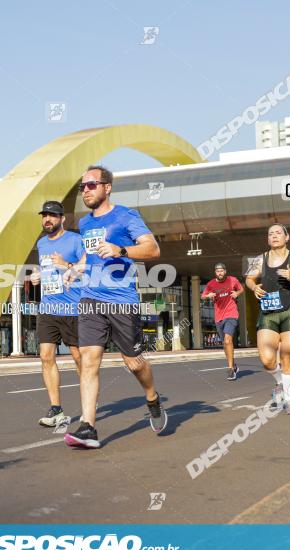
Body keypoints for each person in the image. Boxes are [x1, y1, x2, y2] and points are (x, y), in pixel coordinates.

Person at [63, 165, 166, 449]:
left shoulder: (126, 216)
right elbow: (90, 254)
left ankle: (152, 398)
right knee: (88, 360)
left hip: (121, 301)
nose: (85, 190)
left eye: (91, 185)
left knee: (133, 363)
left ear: (107, 187)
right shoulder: (85, 224)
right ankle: (88, 428)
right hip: (91, 298)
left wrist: (121, 250)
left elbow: (153, 249)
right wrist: (76, 269)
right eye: (82, 186)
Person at [245, 223, 290, 415]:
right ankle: (280, 383)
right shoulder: (259, 259)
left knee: (287, 355)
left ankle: (289, 401)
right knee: (266, 360)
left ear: (287, 237)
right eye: (270, 234)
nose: (274, 236)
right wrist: (254, 287)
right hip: (268, 312)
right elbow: (249, 278)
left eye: (278, 233)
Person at [30, 200, 85, 428]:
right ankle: (56, 409)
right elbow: (46, 270)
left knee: (79, 357)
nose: (47, 219)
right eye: (44, 215)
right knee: (45, 355)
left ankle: (88, 403)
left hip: (72, 307)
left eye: (52, 216)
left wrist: (67, 264)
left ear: (62, 218)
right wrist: (37, 275)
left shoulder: (75, 240)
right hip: (49, 308)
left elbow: (89, 267)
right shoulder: (42, 243)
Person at [202, 262, 244, 380]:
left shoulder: (232, 280)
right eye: (217, 271)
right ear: (215, 273)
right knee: (225, 345)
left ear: (225, 271)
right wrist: (208, 295)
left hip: (231, 314)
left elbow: (241, 289)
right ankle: (234, 365)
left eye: (221, 271)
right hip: (218, 317)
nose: (219, 273)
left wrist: (237, 293)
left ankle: (230, 369)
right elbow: (203, 296)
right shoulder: (211, 284)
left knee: (227, 340)